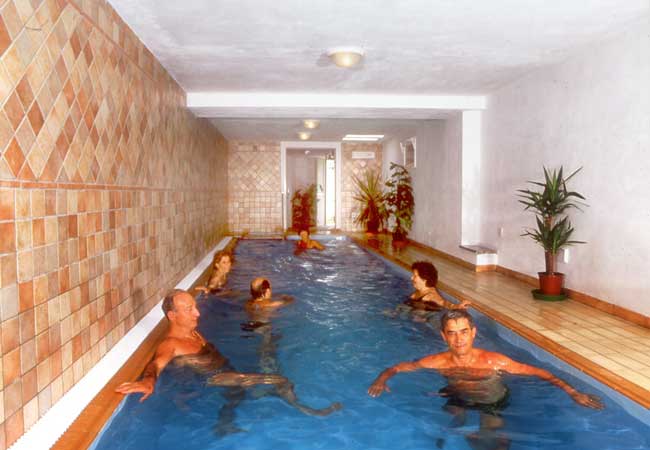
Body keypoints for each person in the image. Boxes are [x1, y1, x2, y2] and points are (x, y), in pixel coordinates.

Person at [368, 309, 603, 449]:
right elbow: (397, 367)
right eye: (452, 333)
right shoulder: (436, 361)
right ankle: (457, 423)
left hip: (492, 402)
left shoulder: (494, 361)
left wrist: (573, 392)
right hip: (458, 396)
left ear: (473, 333)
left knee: (492, 441)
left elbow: (540, 372)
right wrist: (381, 379)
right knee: (452, 421)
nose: (459, 340)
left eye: (464, 332)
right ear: (444, 336)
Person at [115, 290, 341, 433]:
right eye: (189, 309)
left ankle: (224, 424)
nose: (197, 313)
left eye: (195, 307)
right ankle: (308, 411)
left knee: (238, 393)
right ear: (172, 316)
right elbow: (156, 363)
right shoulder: (171, 343)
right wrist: (148, 381)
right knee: (281, 381)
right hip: (215, 378)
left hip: (224, 373)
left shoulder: (192, 333)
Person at [406, 261, 470, 311]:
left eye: (415, 276)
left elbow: (443, 302)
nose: (411, 278)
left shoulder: (431, 295)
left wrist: (457, 306)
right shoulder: (421, 290)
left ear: (424, 279)